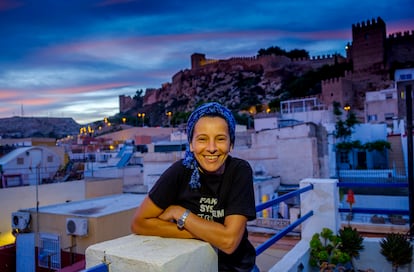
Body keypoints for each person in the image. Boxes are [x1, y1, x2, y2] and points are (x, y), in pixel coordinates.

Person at [131, 102, 257, 271]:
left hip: (239, 268)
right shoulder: (179, 172)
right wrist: (208, 234)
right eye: (202, 139)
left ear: (231, 144)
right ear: (191, 144)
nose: (211, 148)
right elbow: (139, 223)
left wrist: (181, 214)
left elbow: (229, 242)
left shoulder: (239, 171)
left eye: (220, 139)